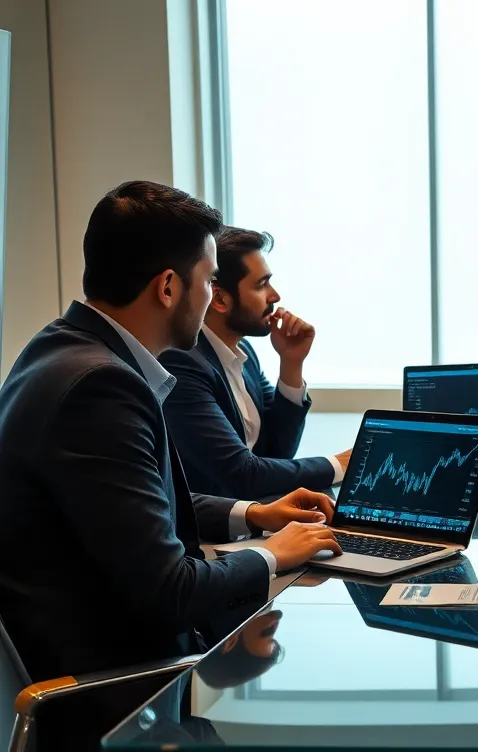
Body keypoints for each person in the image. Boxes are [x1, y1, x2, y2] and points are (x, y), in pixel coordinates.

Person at [0, 181, 342, 749]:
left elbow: (131, 505)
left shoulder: (59, 350)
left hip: (107, 660)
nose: (211, 298)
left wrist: (254, 513)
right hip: (115, 699)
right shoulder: (101, 386)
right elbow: (171, 590)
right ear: (166, 287)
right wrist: (272, 553)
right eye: (209, 280)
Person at [160, 226, 350, 501]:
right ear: (221, 299)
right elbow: (242, 474)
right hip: (211, 532)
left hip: (256, 517)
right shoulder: (181, 363)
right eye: (262, 285)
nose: (275, 296)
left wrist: (291, 363)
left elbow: (278, 452)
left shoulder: (243, 352)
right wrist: (337, 464)